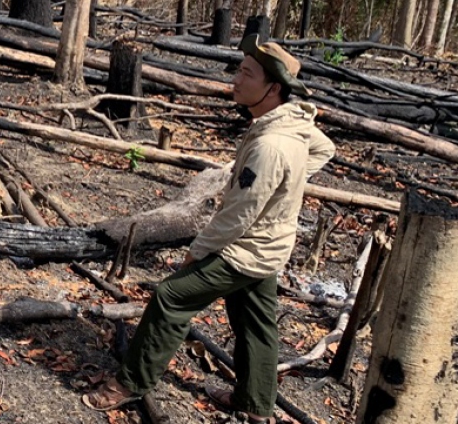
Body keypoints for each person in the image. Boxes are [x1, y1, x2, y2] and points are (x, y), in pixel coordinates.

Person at [81, 34, 336, 422]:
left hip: (246, 250)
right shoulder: (290, 124)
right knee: (256, 324)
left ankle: (130, 383)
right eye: (238, 70)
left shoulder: (272, 146)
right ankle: (254, 405)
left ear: (274, 88)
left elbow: (237, 217)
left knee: (170, 297)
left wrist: (197, 252)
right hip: (272, 245)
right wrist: (289, 184)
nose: (236, 80)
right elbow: (324, 149)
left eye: (246, 74)